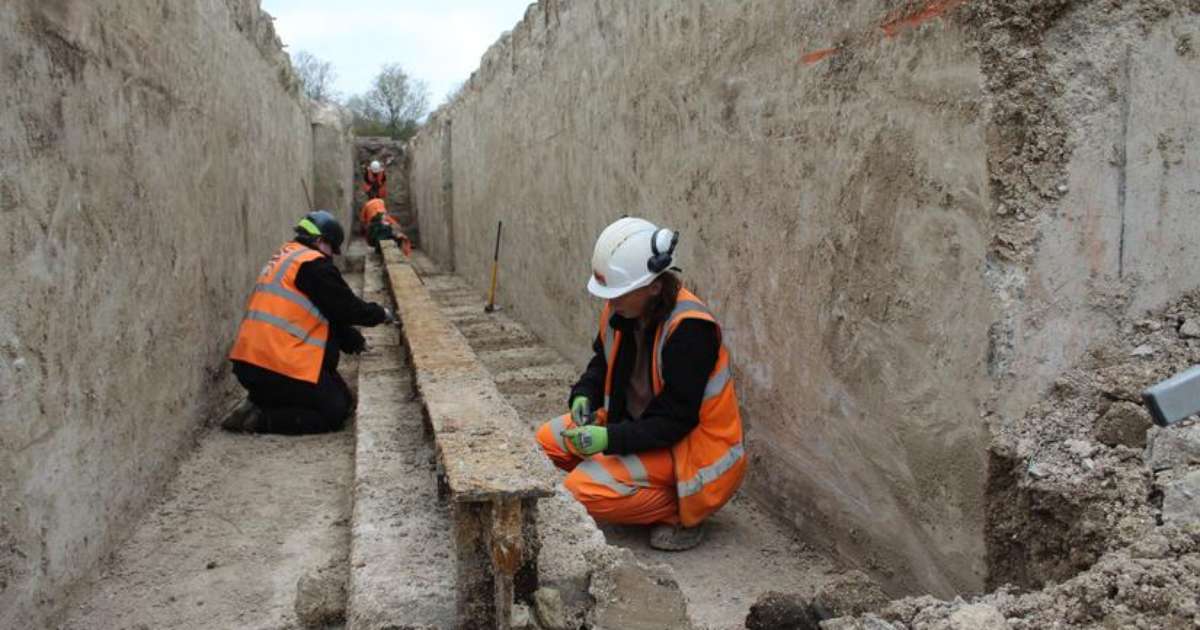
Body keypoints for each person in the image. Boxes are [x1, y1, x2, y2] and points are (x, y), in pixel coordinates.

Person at [535, 217, 746, 551]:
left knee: (580, 490)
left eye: (618, 292)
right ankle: (636, 486)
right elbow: (602, 363)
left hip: (687, 449)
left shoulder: (691, 330)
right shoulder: (622, 311)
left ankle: (681, 510)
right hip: (636, 426)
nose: (610, 301)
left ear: (654, 287)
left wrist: (609, 439)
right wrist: (584, 395)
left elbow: (675, 420)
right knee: (545, 443)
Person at [224, 210, 394, 434]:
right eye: (331, 249)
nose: (330, 257)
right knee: (334, 412)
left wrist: (353, 341)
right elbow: (346, 307)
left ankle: (261, 400)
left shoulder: (286, 256)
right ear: (320, 241)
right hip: (273, 363)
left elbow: (325, 311)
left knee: (340, 394)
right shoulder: (313, 265)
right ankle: (259, 419)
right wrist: (382, 313)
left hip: (251, 362)